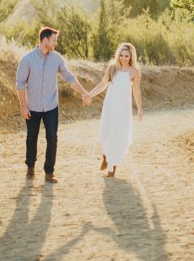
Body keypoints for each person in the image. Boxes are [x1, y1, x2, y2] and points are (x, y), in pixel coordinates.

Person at [16, 27, 90, 183]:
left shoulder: (57, 58)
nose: (56, 43)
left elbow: (69, 78)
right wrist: (23, 106)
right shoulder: (27, 59)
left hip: (51, 105)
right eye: (54, 40)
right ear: (45, 40)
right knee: (31, 137)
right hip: (33, 106)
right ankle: (30, 166)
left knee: (52, 137)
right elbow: (20, 84)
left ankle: (49, 172)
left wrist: (83, 92)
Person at [83, 41, 143, 177]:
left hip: (123, 109)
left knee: (118, 135)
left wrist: (139, 109)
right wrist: (89, 94)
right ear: (118, 55)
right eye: (121, 55)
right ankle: (105, 156)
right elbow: (103, 84)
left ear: (131, 57)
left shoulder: (134, 72)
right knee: (106, 132)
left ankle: (112, 167)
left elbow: (136, 91)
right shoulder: (112, 68)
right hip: (110, 105)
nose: (123, 58)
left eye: (126, 56)